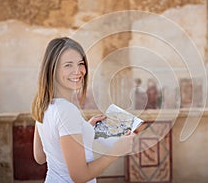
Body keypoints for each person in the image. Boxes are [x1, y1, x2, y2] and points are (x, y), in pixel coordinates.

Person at [31, 37, 134, 183]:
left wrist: (85, 127)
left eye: (80, 64)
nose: (78, 71)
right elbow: (80, 176)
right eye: (68, 65)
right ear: (52, 69)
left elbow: (40, 156)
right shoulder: (67, 111)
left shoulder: (42, 103)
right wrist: (116, 151)